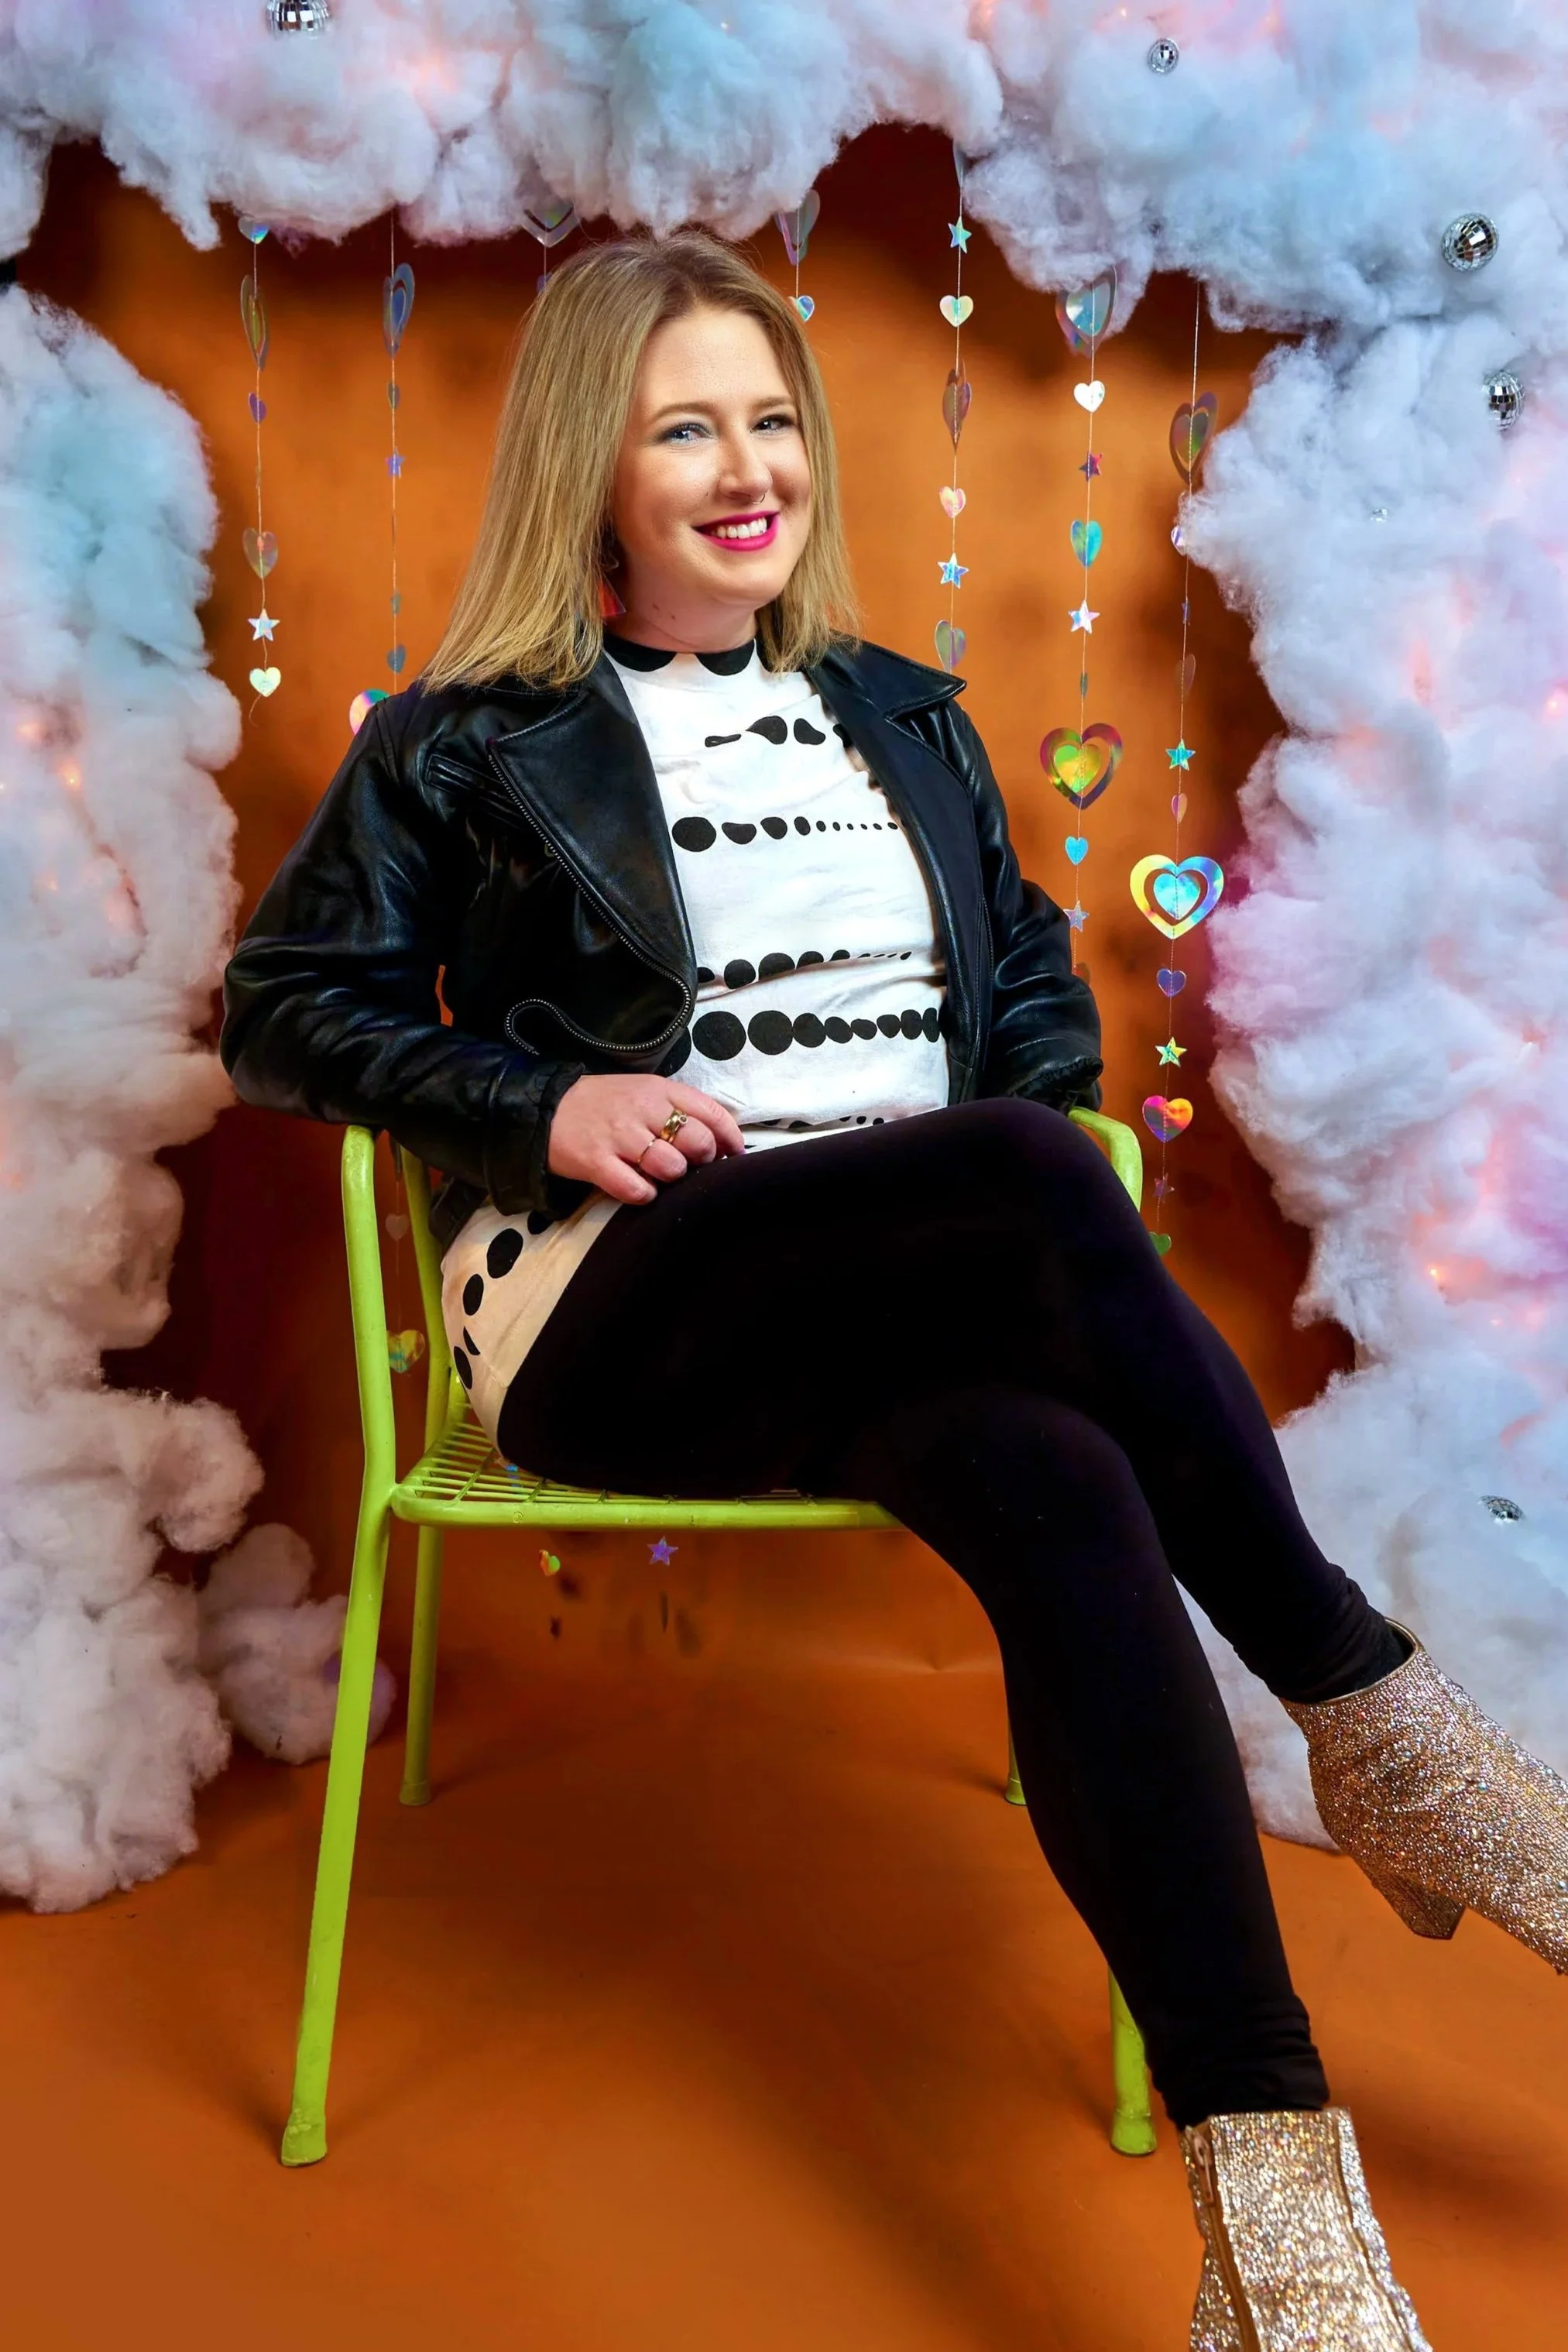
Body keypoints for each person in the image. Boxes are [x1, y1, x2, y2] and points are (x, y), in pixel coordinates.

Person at [221, 232, 1568, 2349]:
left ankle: (1283, 2228)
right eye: (688, 425)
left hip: (901, 1298)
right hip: (623, 1310)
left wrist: (989, 1204)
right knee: (1038, 1176)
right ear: (595, 460)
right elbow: (290, 1012)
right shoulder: (471, 742)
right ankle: (1377, 1716)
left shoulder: (903, 722)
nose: (749, 467)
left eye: (771, 419)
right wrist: (541, 1097)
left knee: (1058, 1470)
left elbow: (1033, 1015)